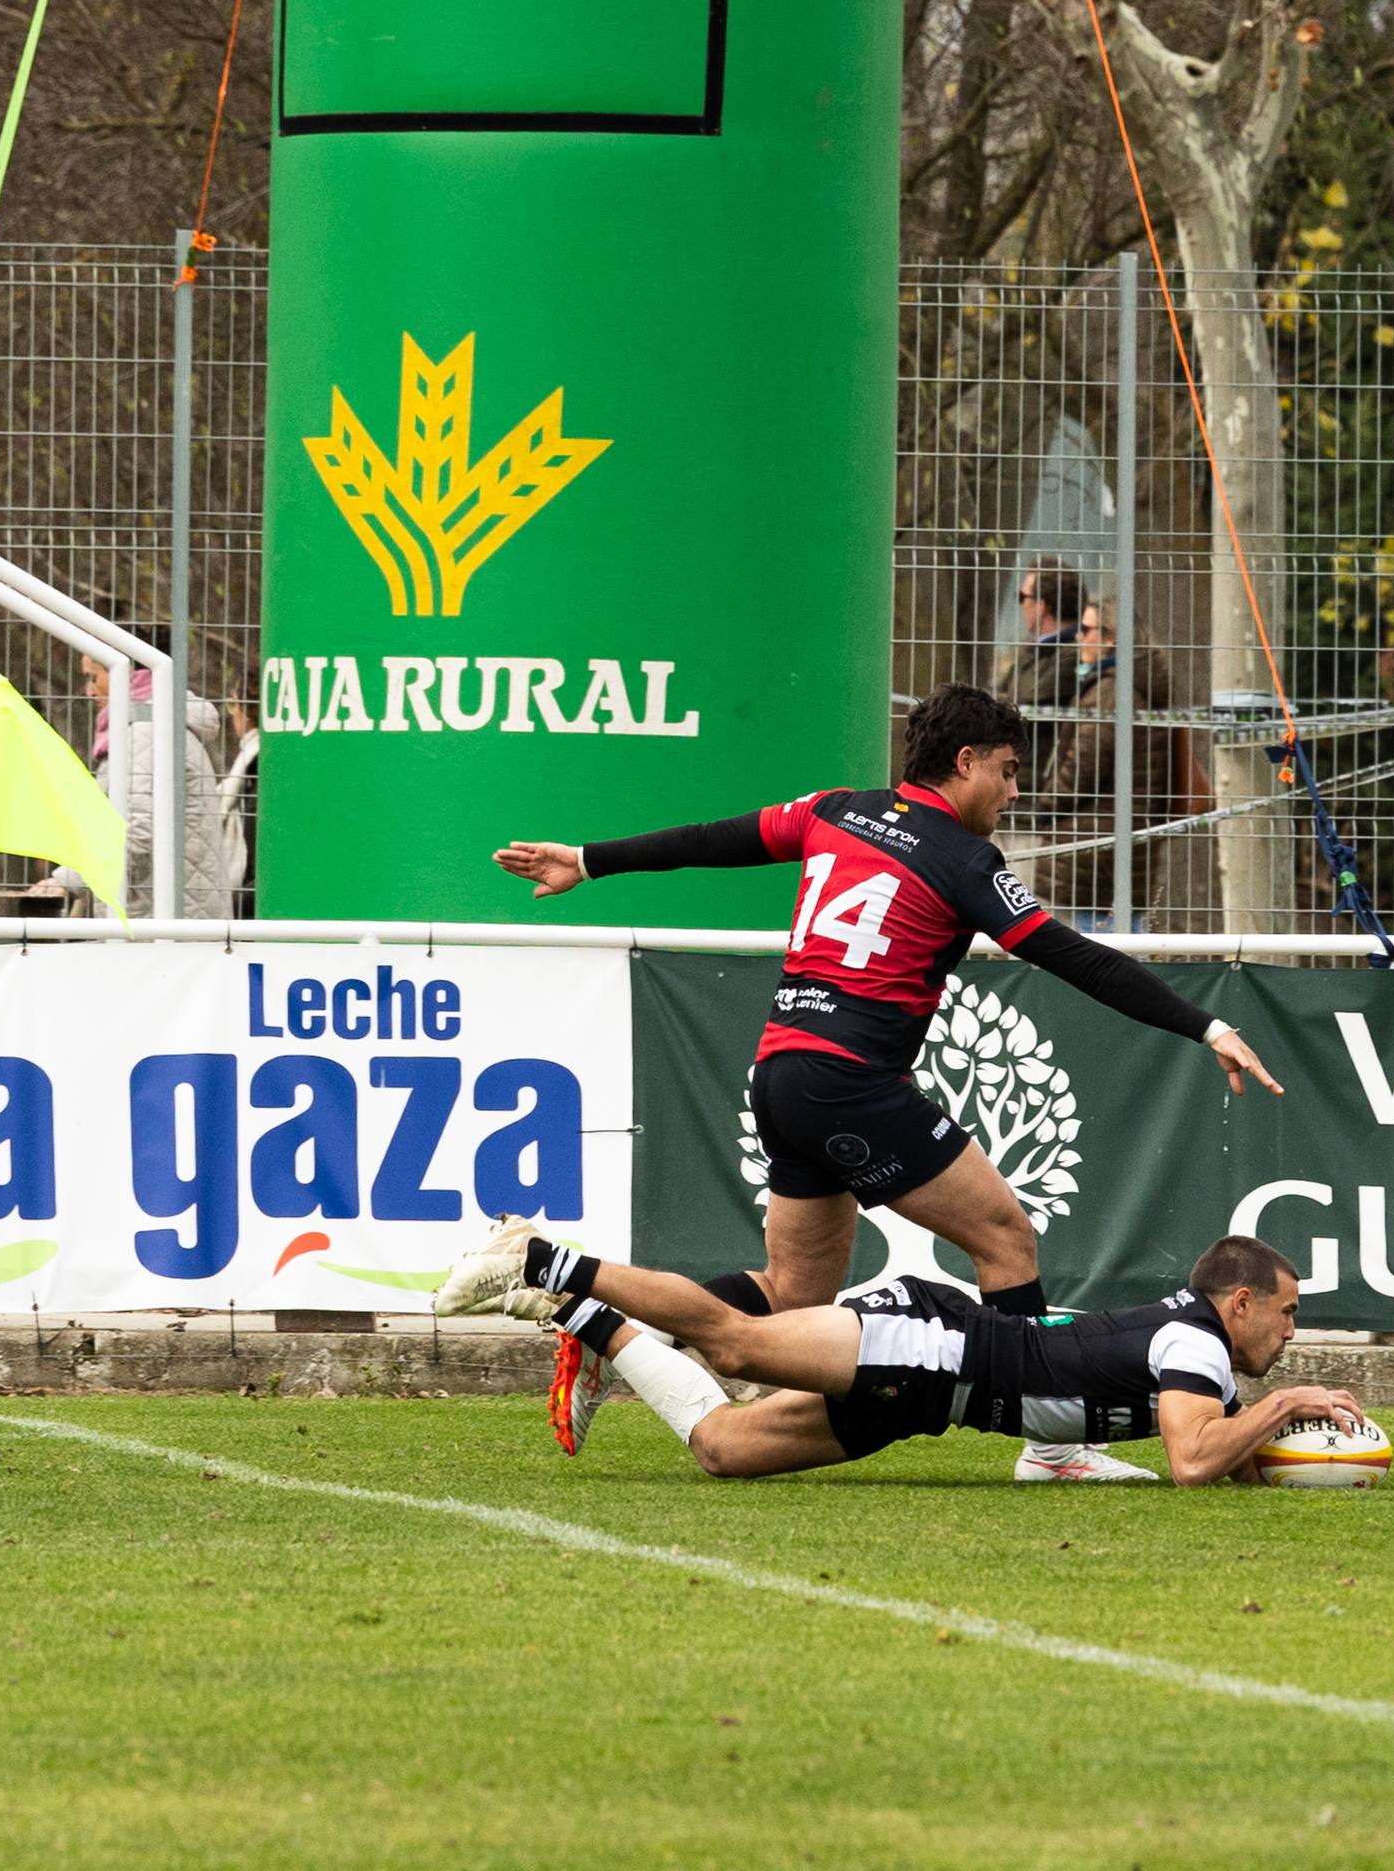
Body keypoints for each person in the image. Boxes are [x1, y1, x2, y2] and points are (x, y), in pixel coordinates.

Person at [490, 681, 1283, 1482]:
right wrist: (1204, 1024)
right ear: (963, 761)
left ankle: (614, 1325)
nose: (1013, 793)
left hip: (781, 1074)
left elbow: (712, 838)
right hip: (849, 1082)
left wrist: (590, 861)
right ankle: (1051, 1448)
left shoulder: (832, 810)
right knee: (1004, 1234)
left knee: (794, 1289)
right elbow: (1071, 956)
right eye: (1006, 772)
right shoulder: (961, 857)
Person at [436, 1226, 1359, 1488]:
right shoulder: (1195, 1341)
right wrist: (1281, 1410)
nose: (1288, 1335)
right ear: (1237, 1302)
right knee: (736, 1338)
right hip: (928, 1344)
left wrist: (1295, 1442)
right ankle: (539, 1257)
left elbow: (1213, 1450)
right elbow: (1193, 1464)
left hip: (931, 1400)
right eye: (1284, 1316)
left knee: (722, 1449)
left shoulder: (1196, 1354)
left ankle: (588, 1321)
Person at [31, 646, 240, 919]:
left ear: (127, 674)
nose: (89, 691)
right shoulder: (156, 727)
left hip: (156, 930)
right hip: (166, 918)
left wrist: (69, 879)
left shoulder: (146, 734)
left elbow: (138, 832)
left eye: (94, 677)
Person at [1042, 603, 1197, 930]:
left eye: (1086, 630)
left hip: (1095, 847)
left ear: (1110, 638)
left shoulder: (1111, 691)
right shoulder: (1134, 686)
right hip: (1121, 838)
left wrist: (1045, 805)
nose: (1078, 638)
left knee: (1093, 953)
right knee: (1122, 943)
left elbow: (1084, 764)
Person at [996, 561, 1088, 821]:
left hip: (1038, 790)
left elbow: (1023, 702)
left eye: (1023, 597)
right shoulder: (1036, 649)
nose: (1021, 604)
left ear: (1043, 605)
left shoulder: (1072, 656)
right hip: (1021, 783)